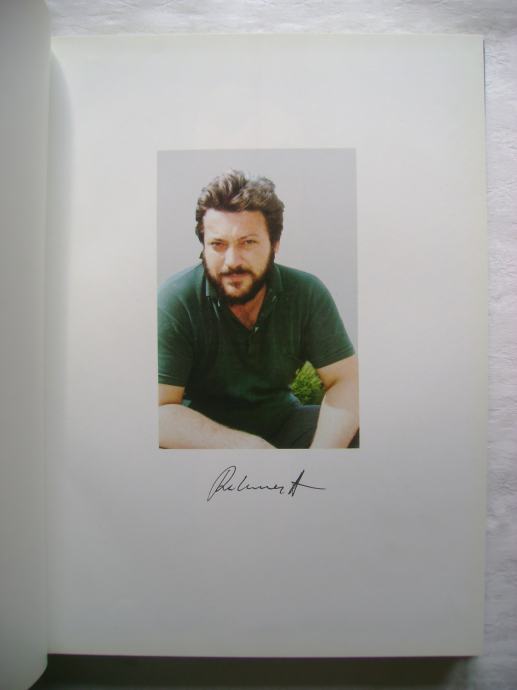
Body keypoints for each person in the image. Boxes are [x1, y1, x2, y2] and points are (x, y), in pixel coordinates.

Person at [158, 169, 359, 449]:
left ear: (275, 244)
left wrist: (320, 459)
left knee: (353, 433)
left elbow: (346, 380)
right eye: (217, 244)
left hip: (282, 425)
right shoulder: (176, 300)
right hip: (203, 443)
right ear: (203, 246)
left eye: (248, 242)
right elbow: (159, 411)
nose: (232, 261)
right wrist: (250, 449)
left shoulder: (306, 293)